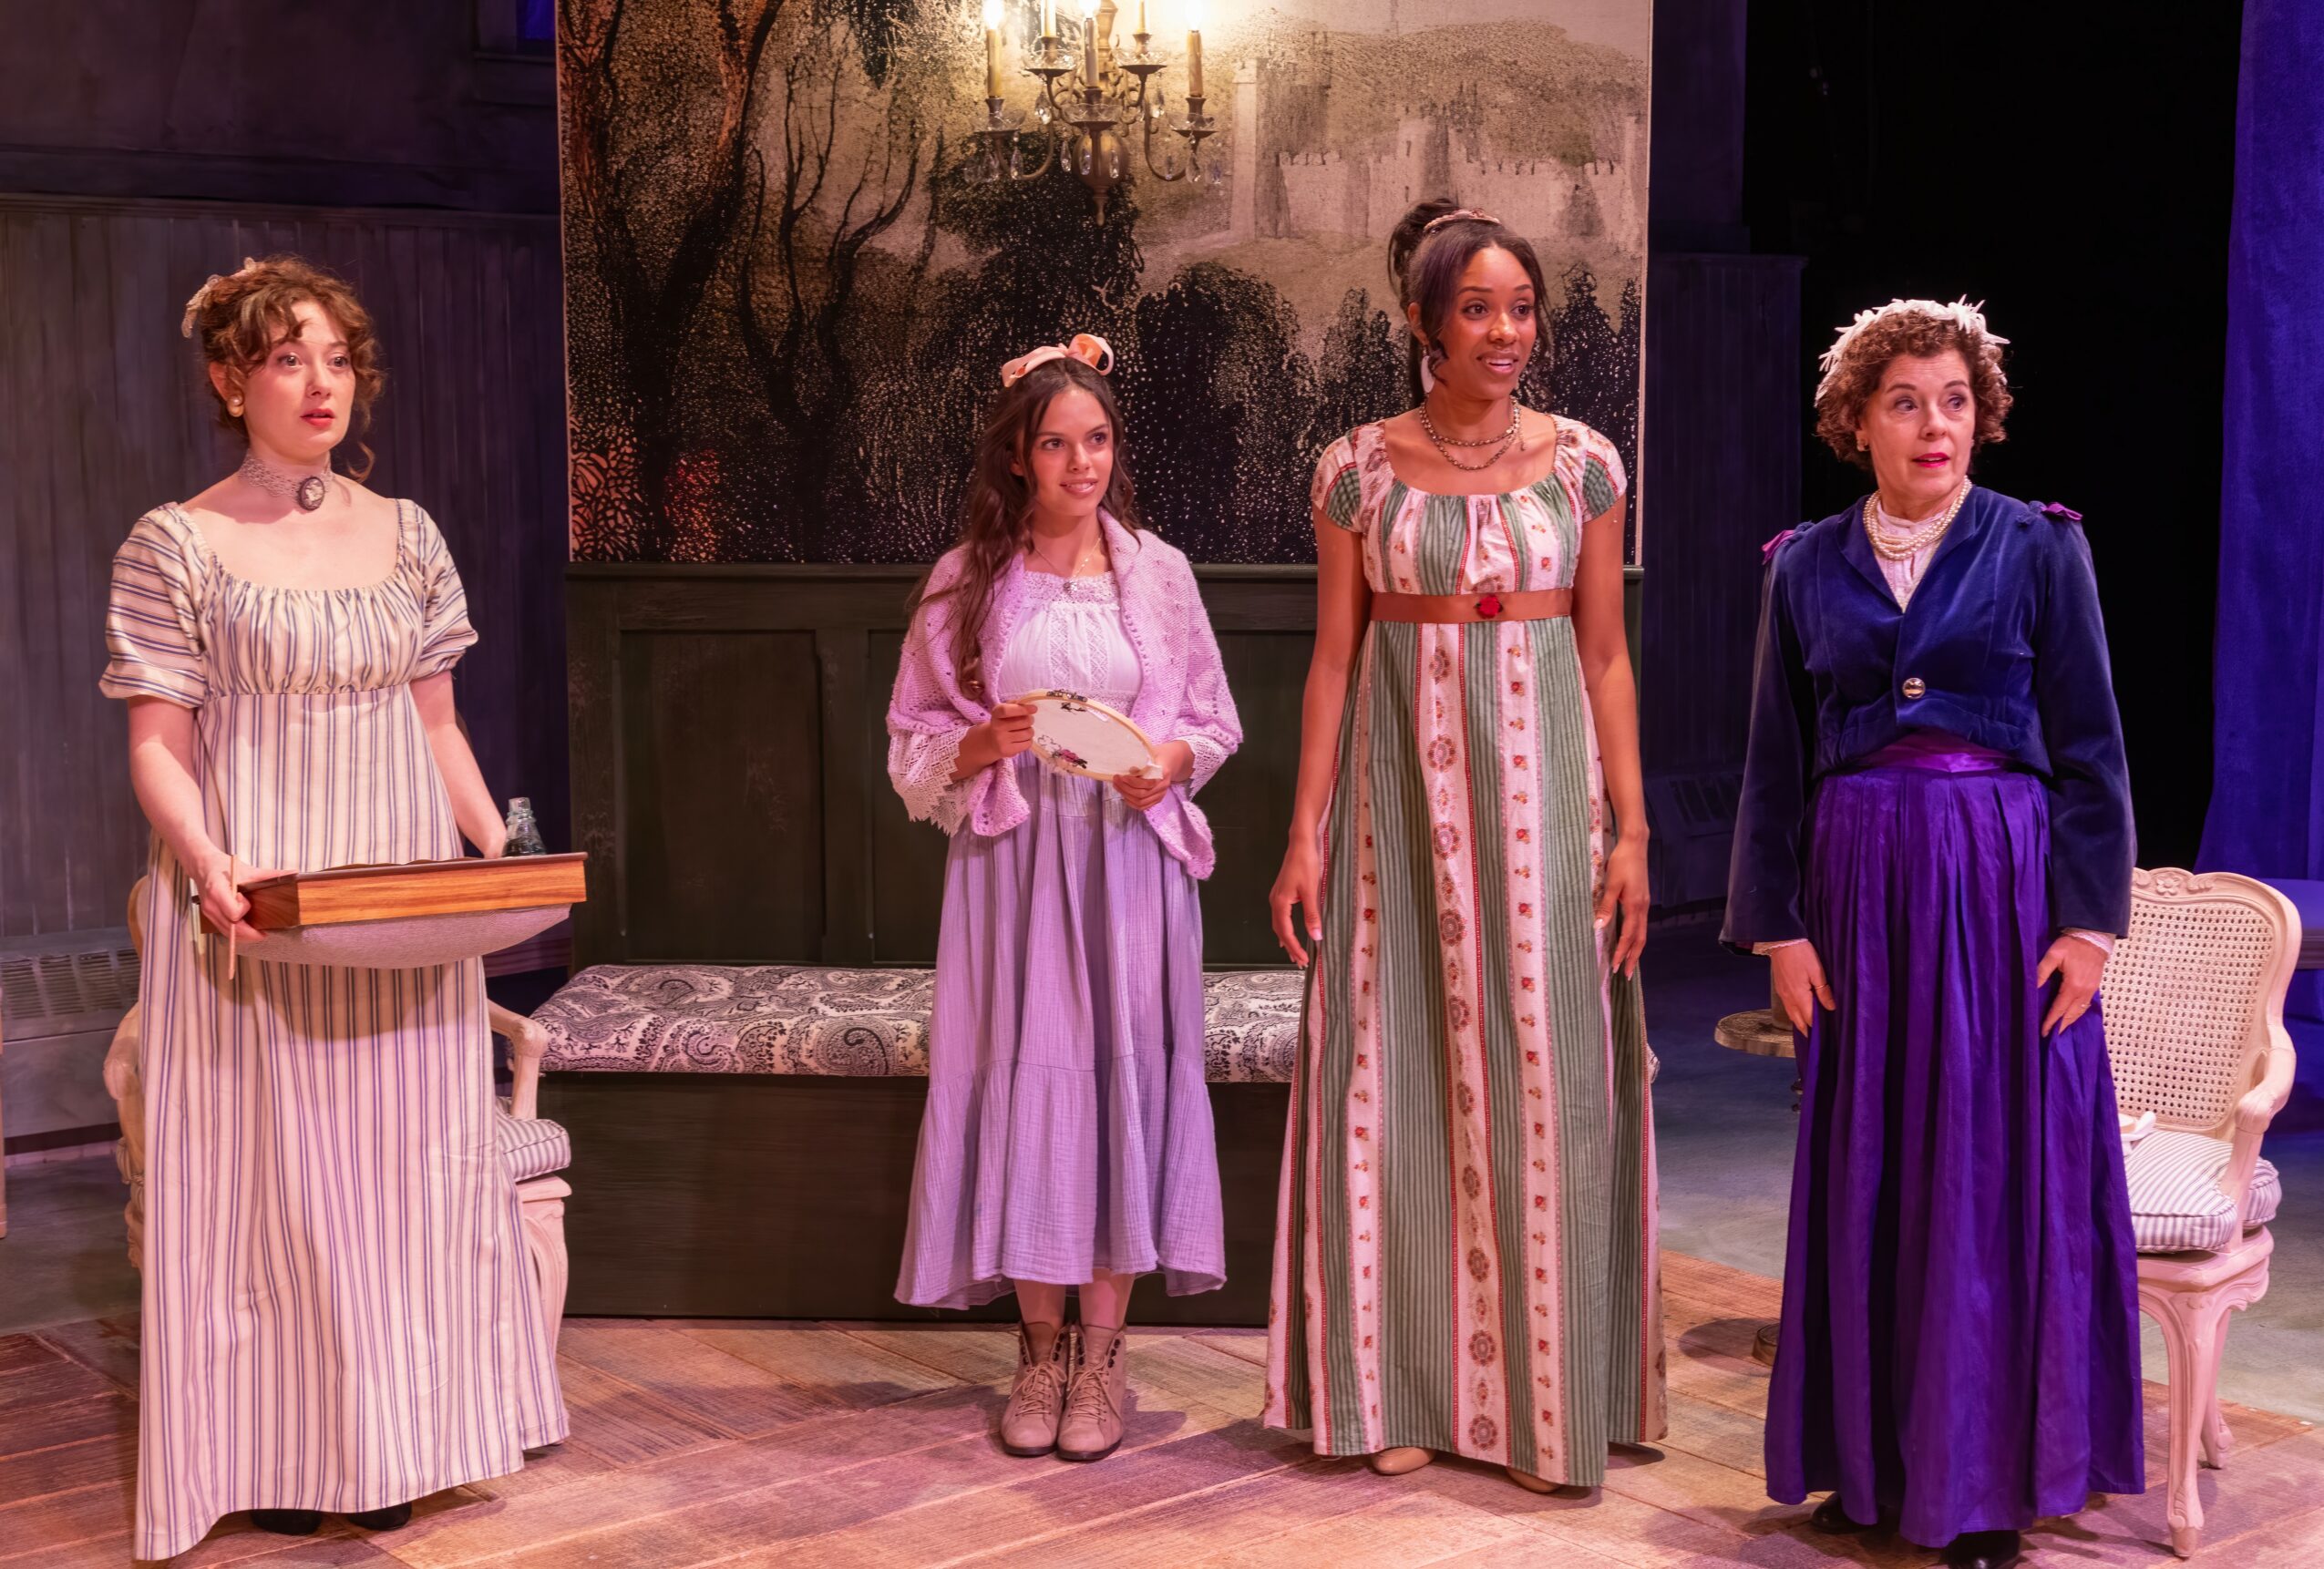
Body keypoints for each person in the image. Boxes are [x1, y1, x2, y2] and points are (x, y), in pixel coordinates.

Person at [102, 256, 565, 1561]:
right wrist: (205, 860)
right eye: (288, 357)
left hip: (396, 909)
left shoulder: (407, 530)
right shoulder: (177, 541)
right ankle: (275, 1446)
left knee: (398, 1184)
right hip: (260, 908)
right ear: (228, 376)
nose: (320, 382)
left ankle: (395, 1442)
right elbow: (156, 740)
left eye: (338, 358)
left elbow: (440, 727)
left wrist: (498, 854)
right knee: (278, 1190)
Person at [1725, 298, 2141, 1569]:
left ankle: (1976, 1486)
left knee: (1982, 1171)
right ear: (1856, 422)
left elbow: (2089, 748)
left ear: (1982, 416)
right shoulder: (1803, 562)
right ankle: (1868, 1464)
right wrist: (1779, 930)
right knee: (1868, 1170)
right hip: (1859, 891)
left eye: (1953, 399)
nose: (1933, 424)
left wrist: (2087, 923)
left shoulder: (2035, 547)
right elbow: (1771, 758)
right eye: (1904, 400)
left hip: (1999, 891)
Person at [1264, 201, 1662, 1493]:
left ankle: (1550, 1403)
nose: (1505, 331)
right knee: (1395, 1083)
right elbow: (1332, 659)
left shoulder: (1584, 465)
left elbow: (1602, 652)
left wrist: (1632, 828)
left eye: (1521, 307)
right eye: (1479, 308)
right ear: (1426, 323)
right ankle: (1400, 1386)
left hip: (1547, 808)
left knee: (1547, 1080)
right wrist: (1302, 836)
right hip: (1392, 809)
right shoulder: (1356, 471)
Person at [886, 333, 1242, 1463]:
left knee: (1121, 1091)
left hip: (1127, 868)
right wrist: (985, 741)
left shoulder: (1161, 574)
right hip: (1017, 871)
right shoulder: (967, 581)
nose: (1081, 462)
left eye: (1097, 440)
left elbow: (1214, 722)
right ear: (1019, 459)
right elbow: (913, 742)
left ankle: (1105, 1357)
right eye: (1056, 443)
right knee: (1031, 1086)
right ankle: (1036, 1356)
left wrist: (1170, 764)